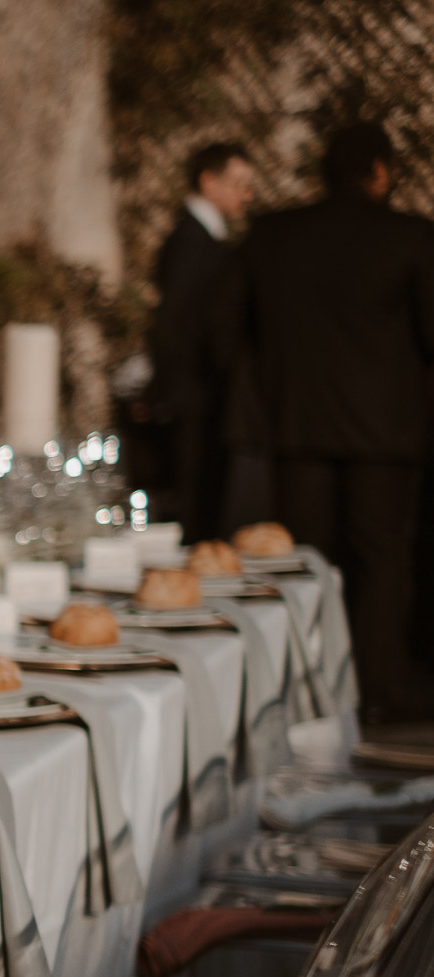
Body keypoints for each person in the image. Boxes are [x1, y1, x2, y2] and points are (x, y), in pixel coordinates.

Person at [226, 122, 434, 721]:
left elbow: (231, 331)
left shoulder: (272, 235)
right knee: (382, 564)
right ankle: (379, 690)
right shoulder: (411, 237)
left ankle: (302, 687)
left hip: (297, 429)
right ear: (379, 171)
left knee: (306, 564)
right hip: (385, 436)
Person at [148, 143, 254, 540]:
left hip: (197, 392)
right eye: (238, 184)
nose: (246, 195)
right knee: (195, 503)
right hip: (194, 392)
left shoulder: (205, 237)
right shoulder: (191, 240)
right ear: (208, 182)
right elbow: (176, 319)